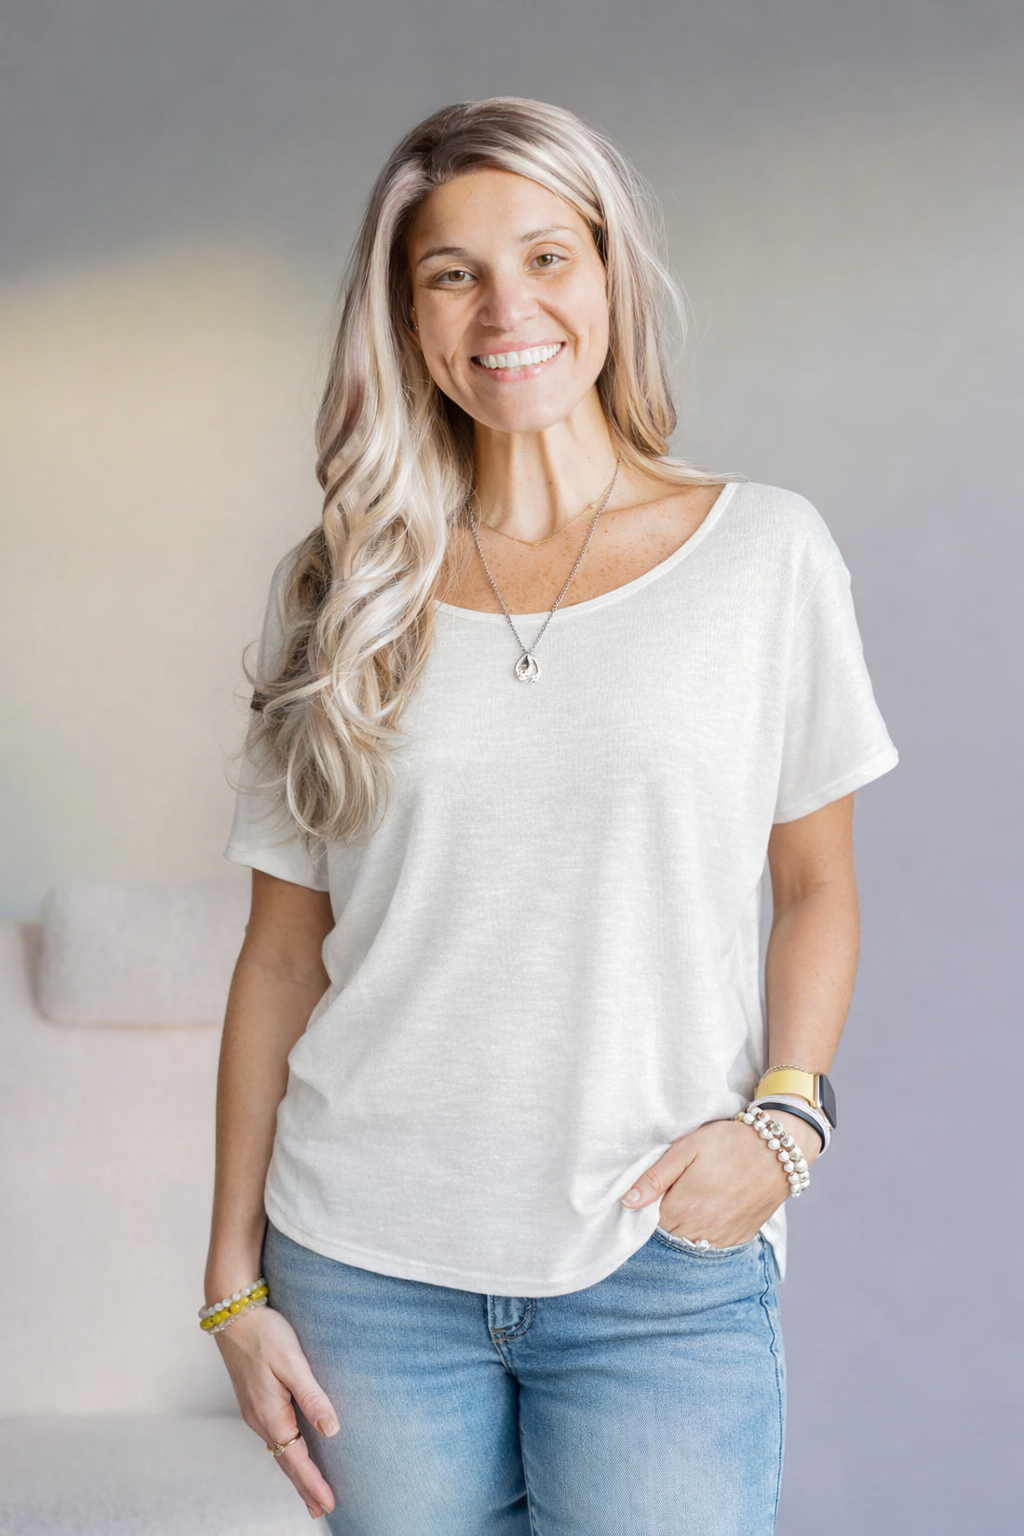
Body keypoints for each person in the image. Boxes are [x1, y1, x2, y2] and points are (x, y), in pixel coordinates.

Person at [201, 97, 898, 1536]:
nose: (505, 309)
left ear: (610, 276)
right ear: (407, 319)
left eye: (546, 257)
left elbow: (817, 886)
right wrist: (229, 1282)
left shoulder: (764, 554)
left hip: (660, 1263)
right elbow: (278, 958)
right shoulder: (337, 585)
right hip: (364, 1269)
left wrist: (785, 1124)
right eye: (451, 273)